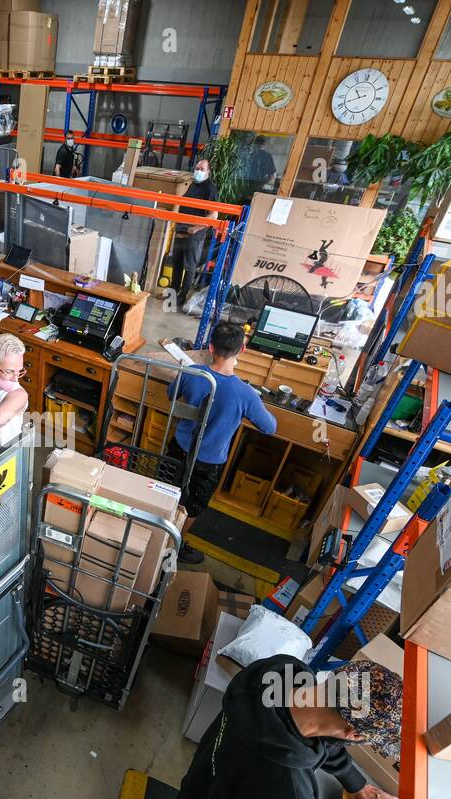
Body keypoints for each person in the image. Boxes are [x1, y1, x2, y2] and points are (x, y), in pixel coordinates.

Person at [155, 657, 402, 799]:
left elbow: (322, 736)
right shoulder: (287, 797)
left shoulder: (278, 676)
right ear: (354, 734)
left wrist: (358, 785)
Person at [167, 321, 276, 564]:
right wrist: (252, 404)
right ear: (242, 350)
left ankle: (156, 534)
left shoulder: (192, 372)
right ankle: (173, 546)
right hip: (208, 461)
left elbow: (170, 394)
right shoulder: (245, 393)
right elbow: (270, 427)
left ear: (211, 347)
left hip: (178, 448)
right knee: (193, 506)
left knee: (168, 492)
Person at [170, 158, 220, 301]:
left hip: (194, 234)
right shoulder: (193, 184)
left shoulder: (209, 188)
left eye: (202, 169)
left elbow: (214, 215)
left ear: (208, 172)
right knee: (177, 264)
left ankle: (182, 296)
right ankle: (172, 294)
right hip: (181, 230)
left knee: (189, 266)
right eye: (197, 168)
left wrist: (196, 228)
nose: (198, 171)